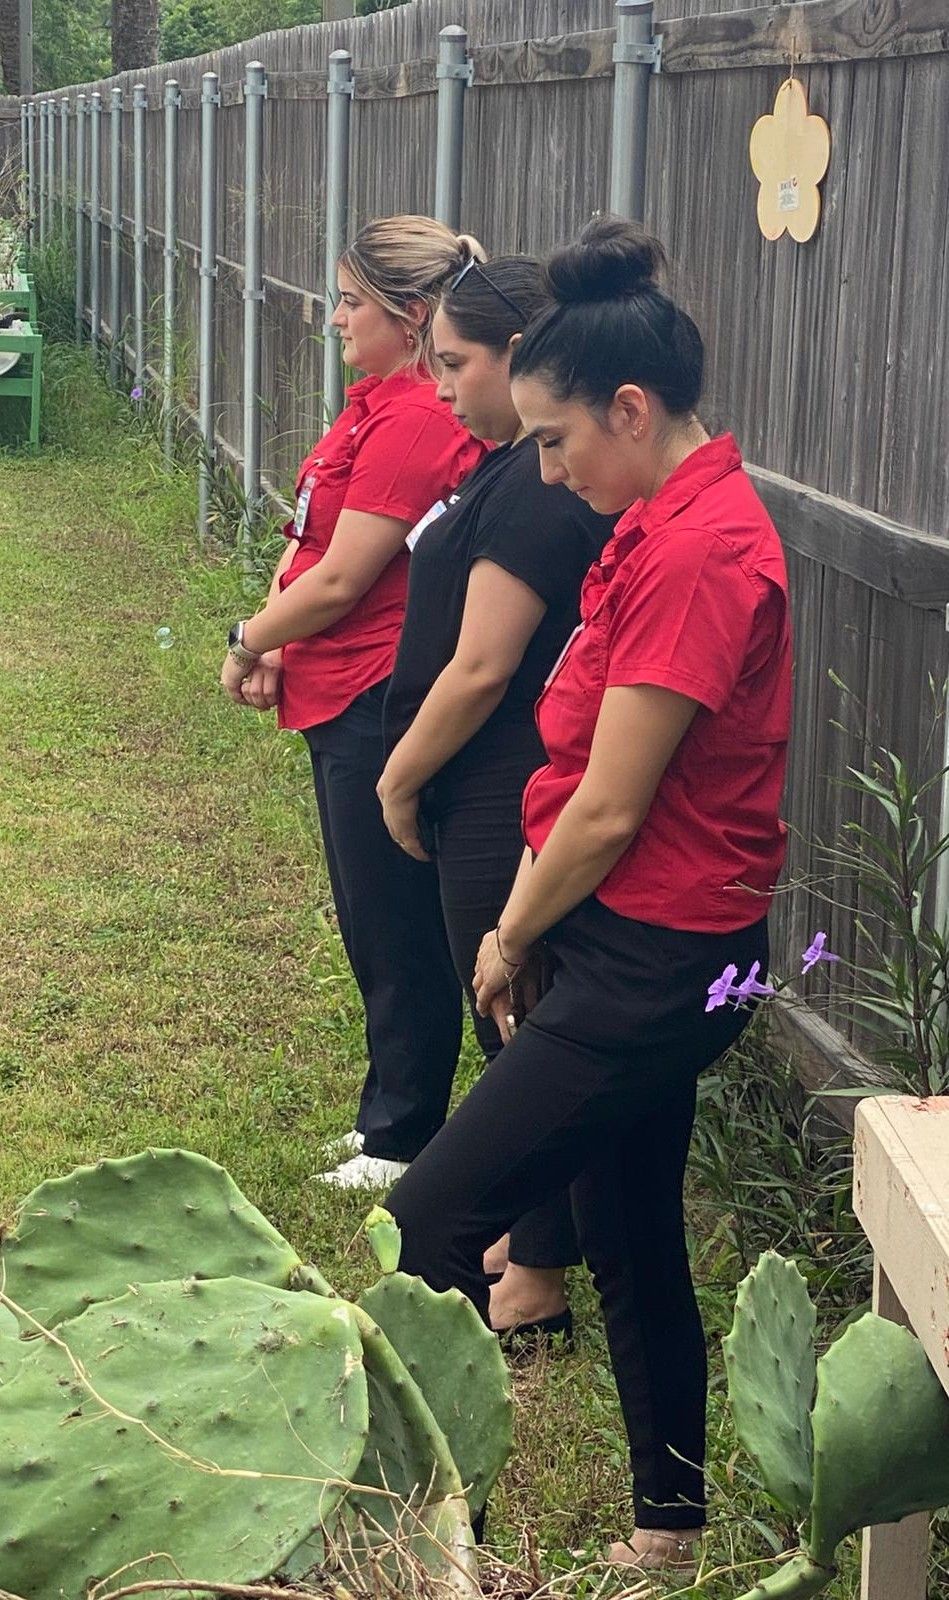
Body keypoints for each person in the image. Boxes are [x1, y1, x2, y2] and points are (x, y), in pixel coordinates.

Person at [385, 216, 792, 1574]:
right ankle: (667, 1530)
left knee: (432, 1217)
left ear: (631, 408)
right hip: (654, 946)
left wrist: (508, 932)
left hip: (656, 964)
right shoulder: (663, 518)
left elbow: (612, 807)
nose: (546, 467)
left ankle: (438, 1536)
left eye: (557, 439)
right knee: (628, 1233)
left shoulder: (692, 552)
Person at [219, 216, 487, 1188]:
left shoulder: (417, 416)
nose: (333, 318)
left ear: (409, 317)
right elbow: (317, 539)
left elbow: (343, 578)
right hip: (336, 689)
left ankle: (403, 1132)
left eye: (350, 302)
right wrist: (277, 645)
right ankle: (391, 1109)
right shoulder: (376, 403)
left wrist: (251, 638)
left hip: (374, 697)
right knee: (370, 914)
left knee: (392, 922)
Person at [377, 256, 613, 1338]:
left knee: (518, 1022)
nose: (443, 386)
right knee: (509, 1024)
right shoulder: (514, 467)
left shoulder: (532, 489)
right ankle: (529, 1233)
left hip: (498, 788)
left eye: (457, 363)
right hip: (485, 791)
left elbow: (481, 668)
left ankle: (539, 1274)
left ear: (521, 358)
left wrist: (399, 775)